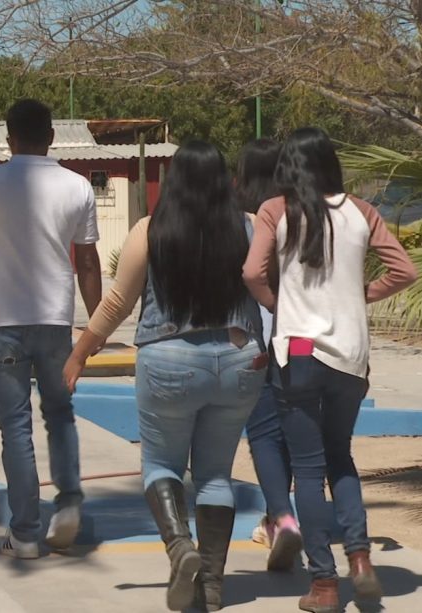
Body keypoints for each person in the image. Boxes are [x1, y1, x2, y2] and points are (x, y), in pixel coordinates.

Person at [65, 141, 267, 611]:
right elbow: (272, 289)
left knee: (160, 467)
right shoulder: (250, 226)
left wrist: (78, 355)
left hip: (168, 361)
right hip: (239, 359)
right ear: (225, 181)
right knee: (216, 474)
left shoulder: (151, 230)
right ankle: (213, 587)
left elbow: (117, 302)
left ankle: (181, 549)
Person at [243, 127, 416, 612]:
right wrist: (359, 297)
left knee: (308, 469)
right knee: (340, 457)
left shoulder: (275, 210)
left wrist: (281, 305)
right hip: (351, 356)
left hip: (297, 353)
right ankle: (359, 559)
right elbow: (404, 270)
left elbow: (252, 273)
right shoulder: (362, 211)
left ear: (287, 169)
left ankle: (324, 584)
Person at [0, 99, 102, 559]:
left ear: (9, 139)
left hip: (3, 320)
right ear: (51, 136)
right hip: (55, 321)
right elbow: (86, 261)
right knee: (61, 415)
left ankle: (26, 532)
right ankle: (68, 503)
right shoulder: (78, 186)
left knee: (15, 428)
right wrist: (98, 324)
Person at [236, 138, 304, 572]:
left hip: (257, 336)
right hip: (301, 337)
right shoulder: (297, 213)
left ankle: (281, 517)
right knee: (291, 430)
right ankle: (276, 517)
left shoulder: (245, 219)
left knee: (262, 432)